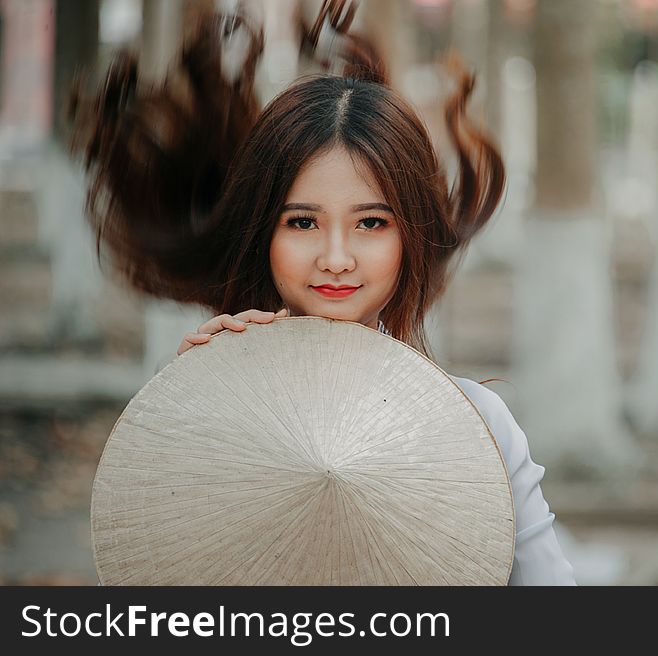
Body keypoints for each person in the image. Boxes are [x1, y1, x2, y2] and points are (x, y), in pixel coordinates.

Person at [70, 0, 575, 586]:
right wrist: (189, 413)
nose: (336, 258)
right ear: (263, 231)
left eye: (371, 223)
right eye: (303, 222)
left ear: (410, 235)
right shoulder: (201, 414)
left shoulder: (481, 428)